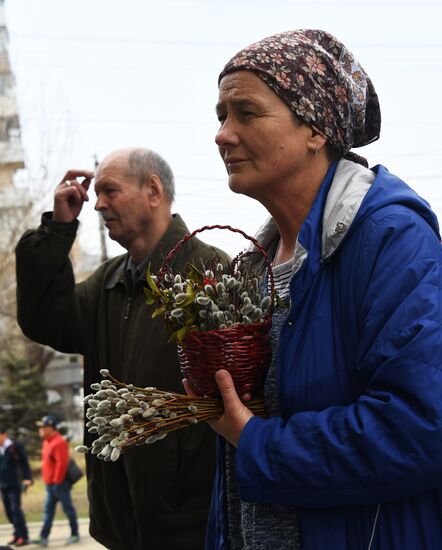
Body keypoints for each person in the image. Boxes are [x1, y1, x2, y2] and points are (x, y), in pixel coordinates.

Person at [199, 29, 442, 549]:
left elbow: (421, 429)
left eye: (246, 112)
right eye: (221, 115)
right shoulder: (251, 271)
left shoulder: (390, 240)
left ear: (314, 128)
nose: (222, 134)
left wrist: (257, 443)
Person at [15, 147, 229, 550]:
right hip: (122, 520)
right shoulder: (107, 284)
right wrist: (58, 230)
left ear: (153, 190)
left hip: (192, 520)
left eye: (110, 190)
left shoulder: (210, 273)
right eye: (97, 193)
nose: (97, 204)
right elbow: (45, 320)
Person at [34, 415, 79, 547]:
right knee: (48, 511)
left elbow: (62, 464)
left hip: (59, 484)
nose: (40, 430)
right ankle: (43, 537)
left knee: (68, 509)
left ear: (51, 427)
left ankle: (74, 533)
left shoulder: (59, 442)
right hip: (50, 484)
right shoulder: (46, 441)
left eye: (43, 427)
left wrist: (57, 482)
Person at [0, 427, 32, 547]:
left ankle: (23, 536)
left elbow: (24, 462)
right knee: (8, 511)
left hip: (14, 483)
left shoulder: (14, 446)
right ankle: (17, 533)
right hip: (3, 485)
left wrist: (27, 478)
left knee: (15, 509)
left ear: (4, 434)